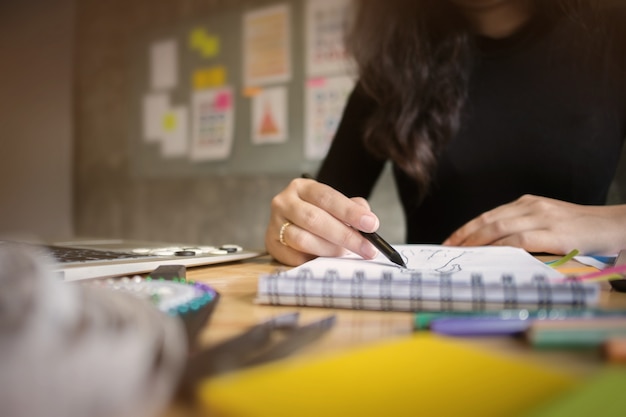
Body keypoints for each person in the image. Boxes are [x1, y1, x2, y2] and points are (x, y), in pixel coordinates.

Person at [266, 0, 626, 267]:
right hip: (428, 317)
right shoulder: (392, 68)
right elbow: (324, 212)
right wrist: (296, 226)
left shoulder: (614, 32)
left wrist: (614, 223)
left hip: (584, 313)